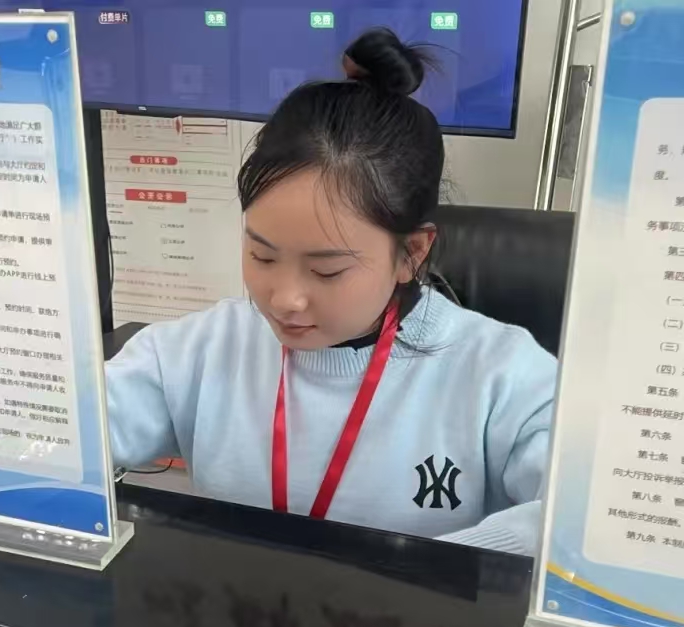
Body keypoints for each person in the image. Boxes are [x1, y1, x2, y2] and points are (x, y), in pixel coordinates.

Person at [104, 28, 557, 556]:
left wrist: (435, 571)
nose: (284, 299)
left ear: (411, 253)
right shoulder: (200, 351)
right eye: (262, 256)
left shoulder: (501, 376)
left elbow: (578, 515)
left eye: (326, 271)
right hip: (236, 604)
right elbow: (68, 428)